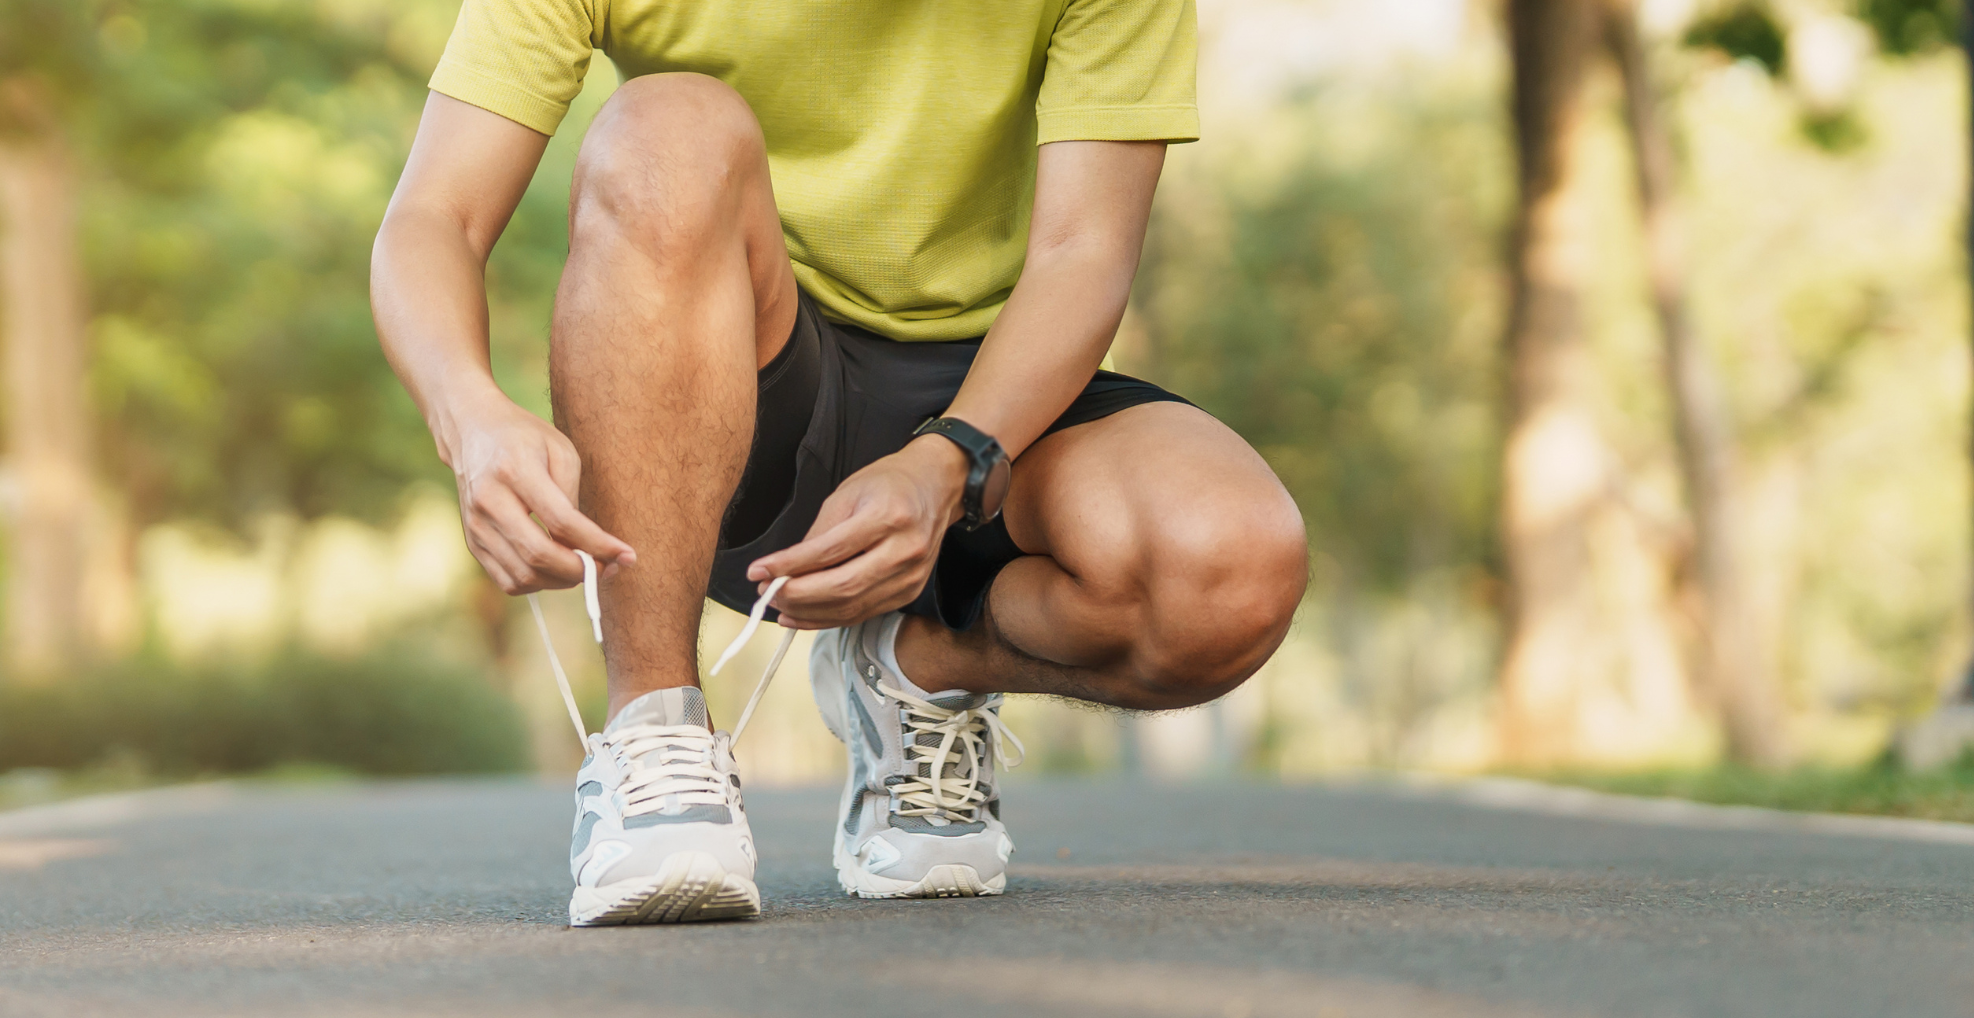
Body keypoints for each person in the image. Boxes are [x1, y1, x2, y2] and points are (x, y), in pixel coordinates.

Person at [371, 0, 1309, 927]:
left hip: (998, 388)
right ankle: (654, 742)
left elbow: (1082, 251)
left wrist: (949, 458)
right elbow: (434, 217)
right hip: (739, 389)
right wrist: (470, 418)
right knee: (668, 125)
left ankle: (914, 666)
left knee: (1226, 571)